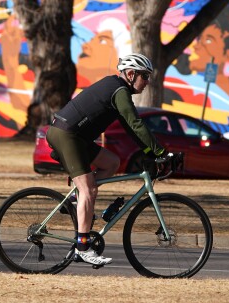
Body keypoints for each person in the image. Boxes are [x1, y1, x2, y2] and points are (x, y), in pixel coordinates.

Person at [46, 53, 166, 266]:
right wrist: (160, 152)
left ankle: (77, 202)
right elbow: (136, 124)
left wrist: (150, 151)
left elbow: (131, 128)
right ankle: (82, 248)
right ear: (131, 74)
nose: (148, 82)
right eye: (145, 76)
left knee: (111, 163)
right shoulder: (119, 91)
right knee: (89, 189)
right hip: (67, 136)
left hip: (74, 136)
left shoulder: (119, 90)